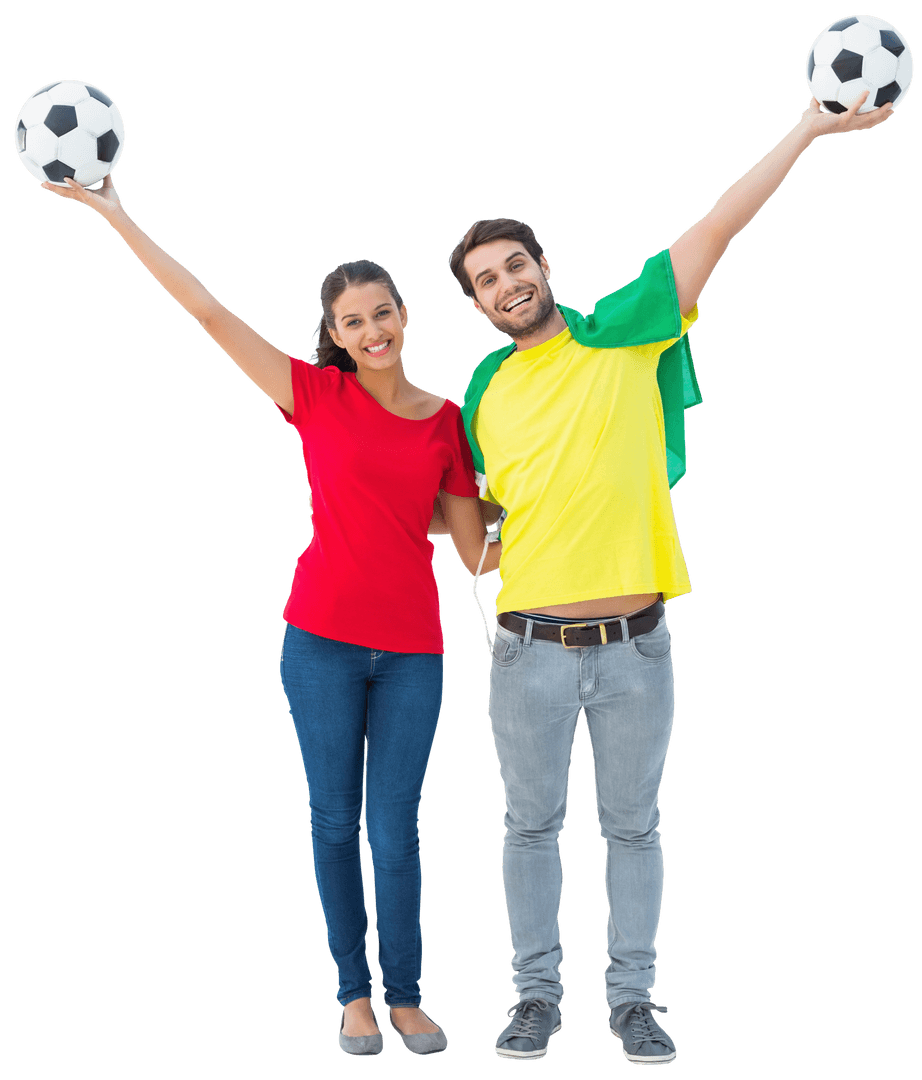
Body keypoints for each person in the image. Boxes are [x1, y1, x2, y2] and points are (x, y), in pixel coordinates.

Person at [447, 94, 893, 1065]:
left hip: (636, 649)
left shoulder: (626, 328)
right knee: (529, 829)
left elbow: (719, 224)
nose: (506, 284)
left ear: (545, 267)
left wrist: (808, 126)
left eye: (516, 264)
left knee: (634, 829)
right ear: (477, 307)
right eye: (486, 281)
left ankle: (633, 1002)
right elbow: (479, 533)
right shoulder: (481, 393)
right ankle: (534, 998)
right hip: (526, 651)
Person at [40, 175, 500, 1058]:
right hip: (320, 643)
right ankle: (354, 1000)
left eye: (383, 313)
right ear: (335, 334)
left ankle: (408, 1001)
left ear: (406, 314)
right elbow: (209, 312)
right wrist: (116, 213)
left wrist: (566, 520)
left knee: (396, 831)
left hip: (413, 652)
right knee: (334, 821)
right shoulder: (313, 395)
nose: (372, 330)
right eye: (353, 322)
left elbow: (476, 551)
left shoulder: (446, 421)